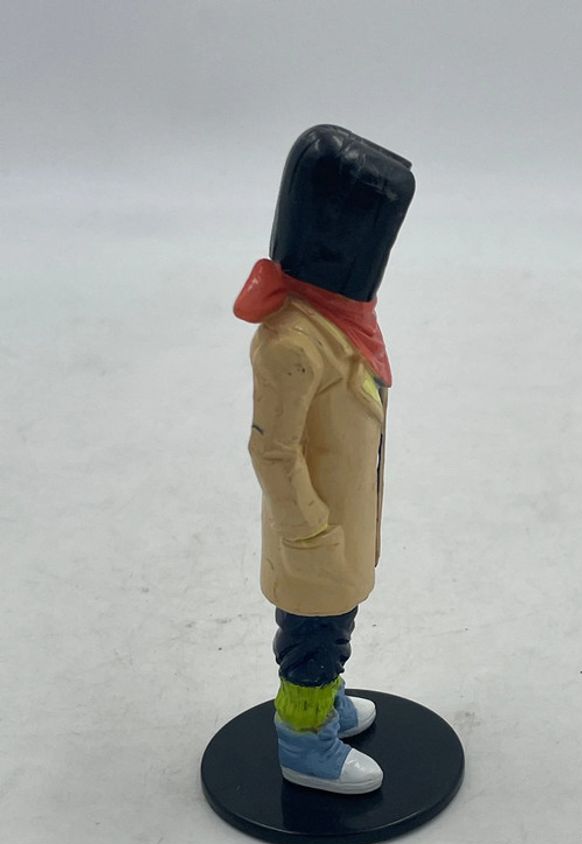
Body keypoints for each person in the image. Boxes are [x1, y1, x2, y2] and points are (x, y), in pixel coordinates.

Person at [233, 125, 415, 793]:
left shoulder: (339, 322)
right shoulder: (292, 341)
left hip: (342, 522)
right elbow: (271, 449)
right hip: (314, 535)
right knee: (310, 639)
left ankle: (325, 700)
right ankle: (304, 741)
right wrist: (310, 531)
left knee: (332, 627)